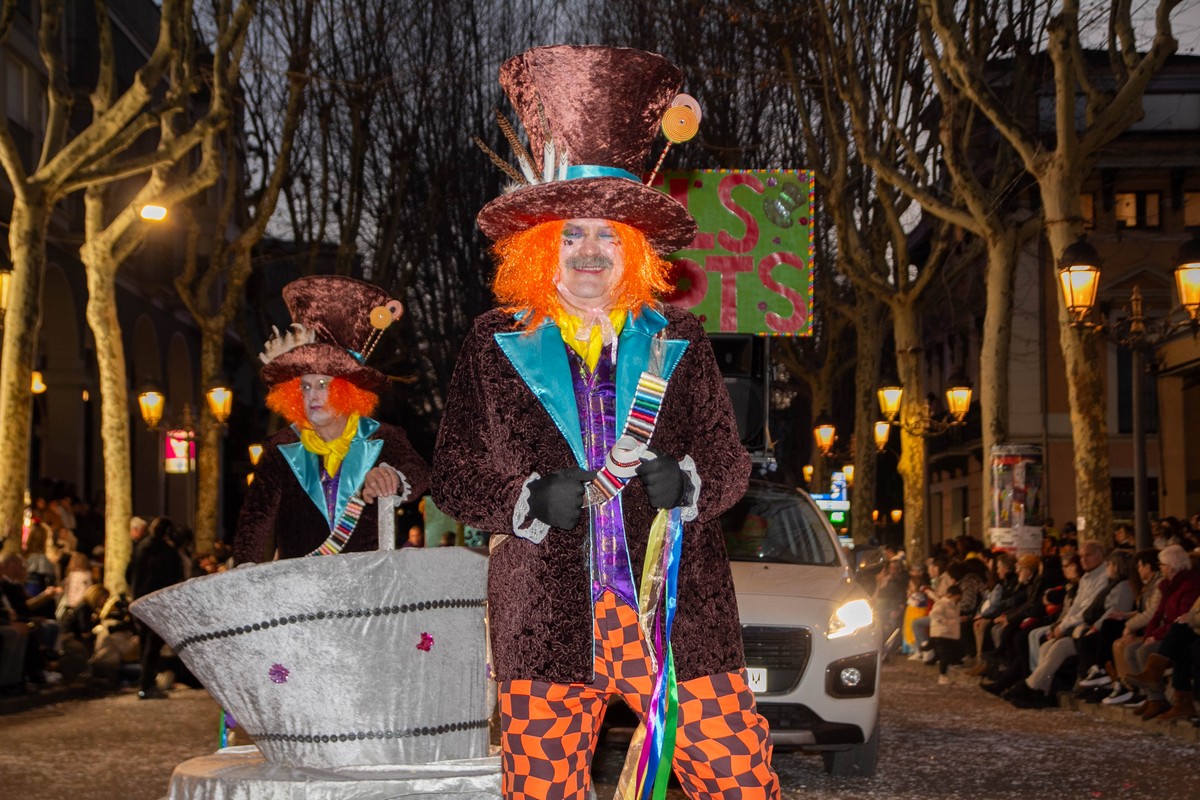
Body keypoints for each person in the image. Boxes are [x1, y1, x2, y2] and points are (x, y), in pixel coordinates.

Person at [433, 45, 778, 800]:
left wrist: (688, 482)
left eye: (607, 235)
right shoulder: (493, 343)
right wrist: (525, 498)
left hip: (676, 617)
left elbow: (730, 463)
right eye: (571, 234)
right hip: (545, 619)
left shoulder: (679, 340)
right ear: (541, 249)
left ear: (634, 251)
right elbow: (453, 474)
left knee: (738, 782)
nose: (589, 251)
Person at [233, 275, 430, 563]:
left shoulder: (380, 436)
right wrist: (244, 570)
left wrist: (391, 476)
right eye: (305, 386)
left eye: (323, 384)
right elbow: (255, 520)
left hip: (367, 583)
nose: (312, 395)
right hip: (301, 586)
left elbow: (420, 472)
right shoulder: (281, 447)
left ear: (347, 390)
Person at [128, 517, 185, 699]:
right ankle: (147, 684)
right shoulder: (168, 552)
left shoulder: (140, 548)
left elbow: (128, 573)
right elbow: (175, 579)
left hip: (139, 600)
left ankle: (144, 683)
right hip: (157, 602)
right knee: (153, 645)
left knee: (145, 642)